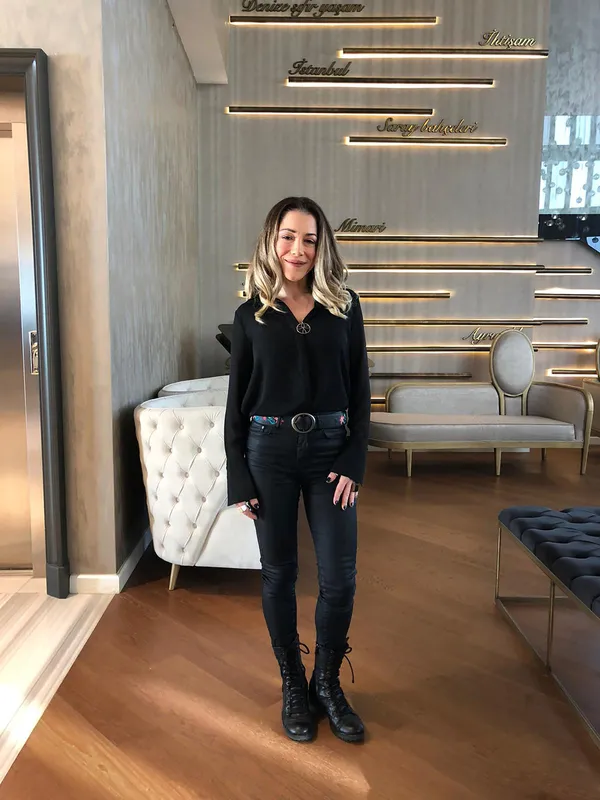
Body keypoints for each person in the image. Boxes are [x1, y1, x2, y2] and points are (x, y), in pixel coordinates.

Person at [224, 196, 371, 744]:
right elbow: (236, 402)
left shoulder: (345, 306)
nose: (298, 249)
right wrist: (239, 475)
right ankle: (293, 682)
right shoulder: (251, 316)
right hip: (269, 453)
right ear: (272, 240)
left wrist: (355, 458)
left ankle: (326, 683)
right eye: (288, 237)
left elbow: (361, 388)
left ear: (321, 246)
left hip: (332, 453)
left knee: (339, 578)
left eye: (309, 239)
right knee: (279, 574)